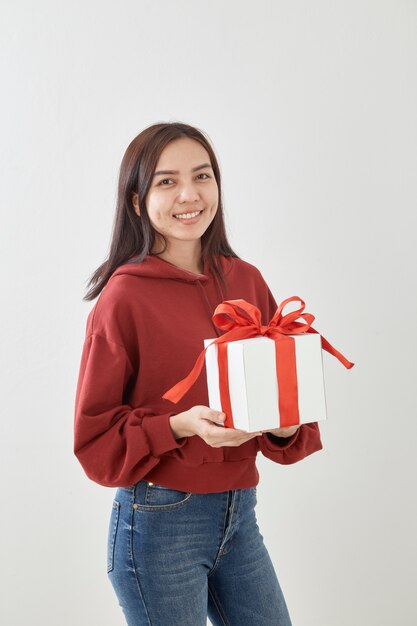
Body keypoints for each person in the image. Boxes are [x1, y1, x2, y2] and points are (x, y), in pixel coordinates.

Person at [73, 121, 323, 626]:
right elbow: (94, 441)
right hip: (159, 522)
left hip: (240, 516)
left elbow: (281, 413)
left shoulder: (245, 279)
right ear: (138, 201)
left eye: (202, 176)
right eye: (167, 181)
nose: (189, 194)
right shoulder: (123, 298)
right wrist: (180, 425)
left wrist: (283, 423)